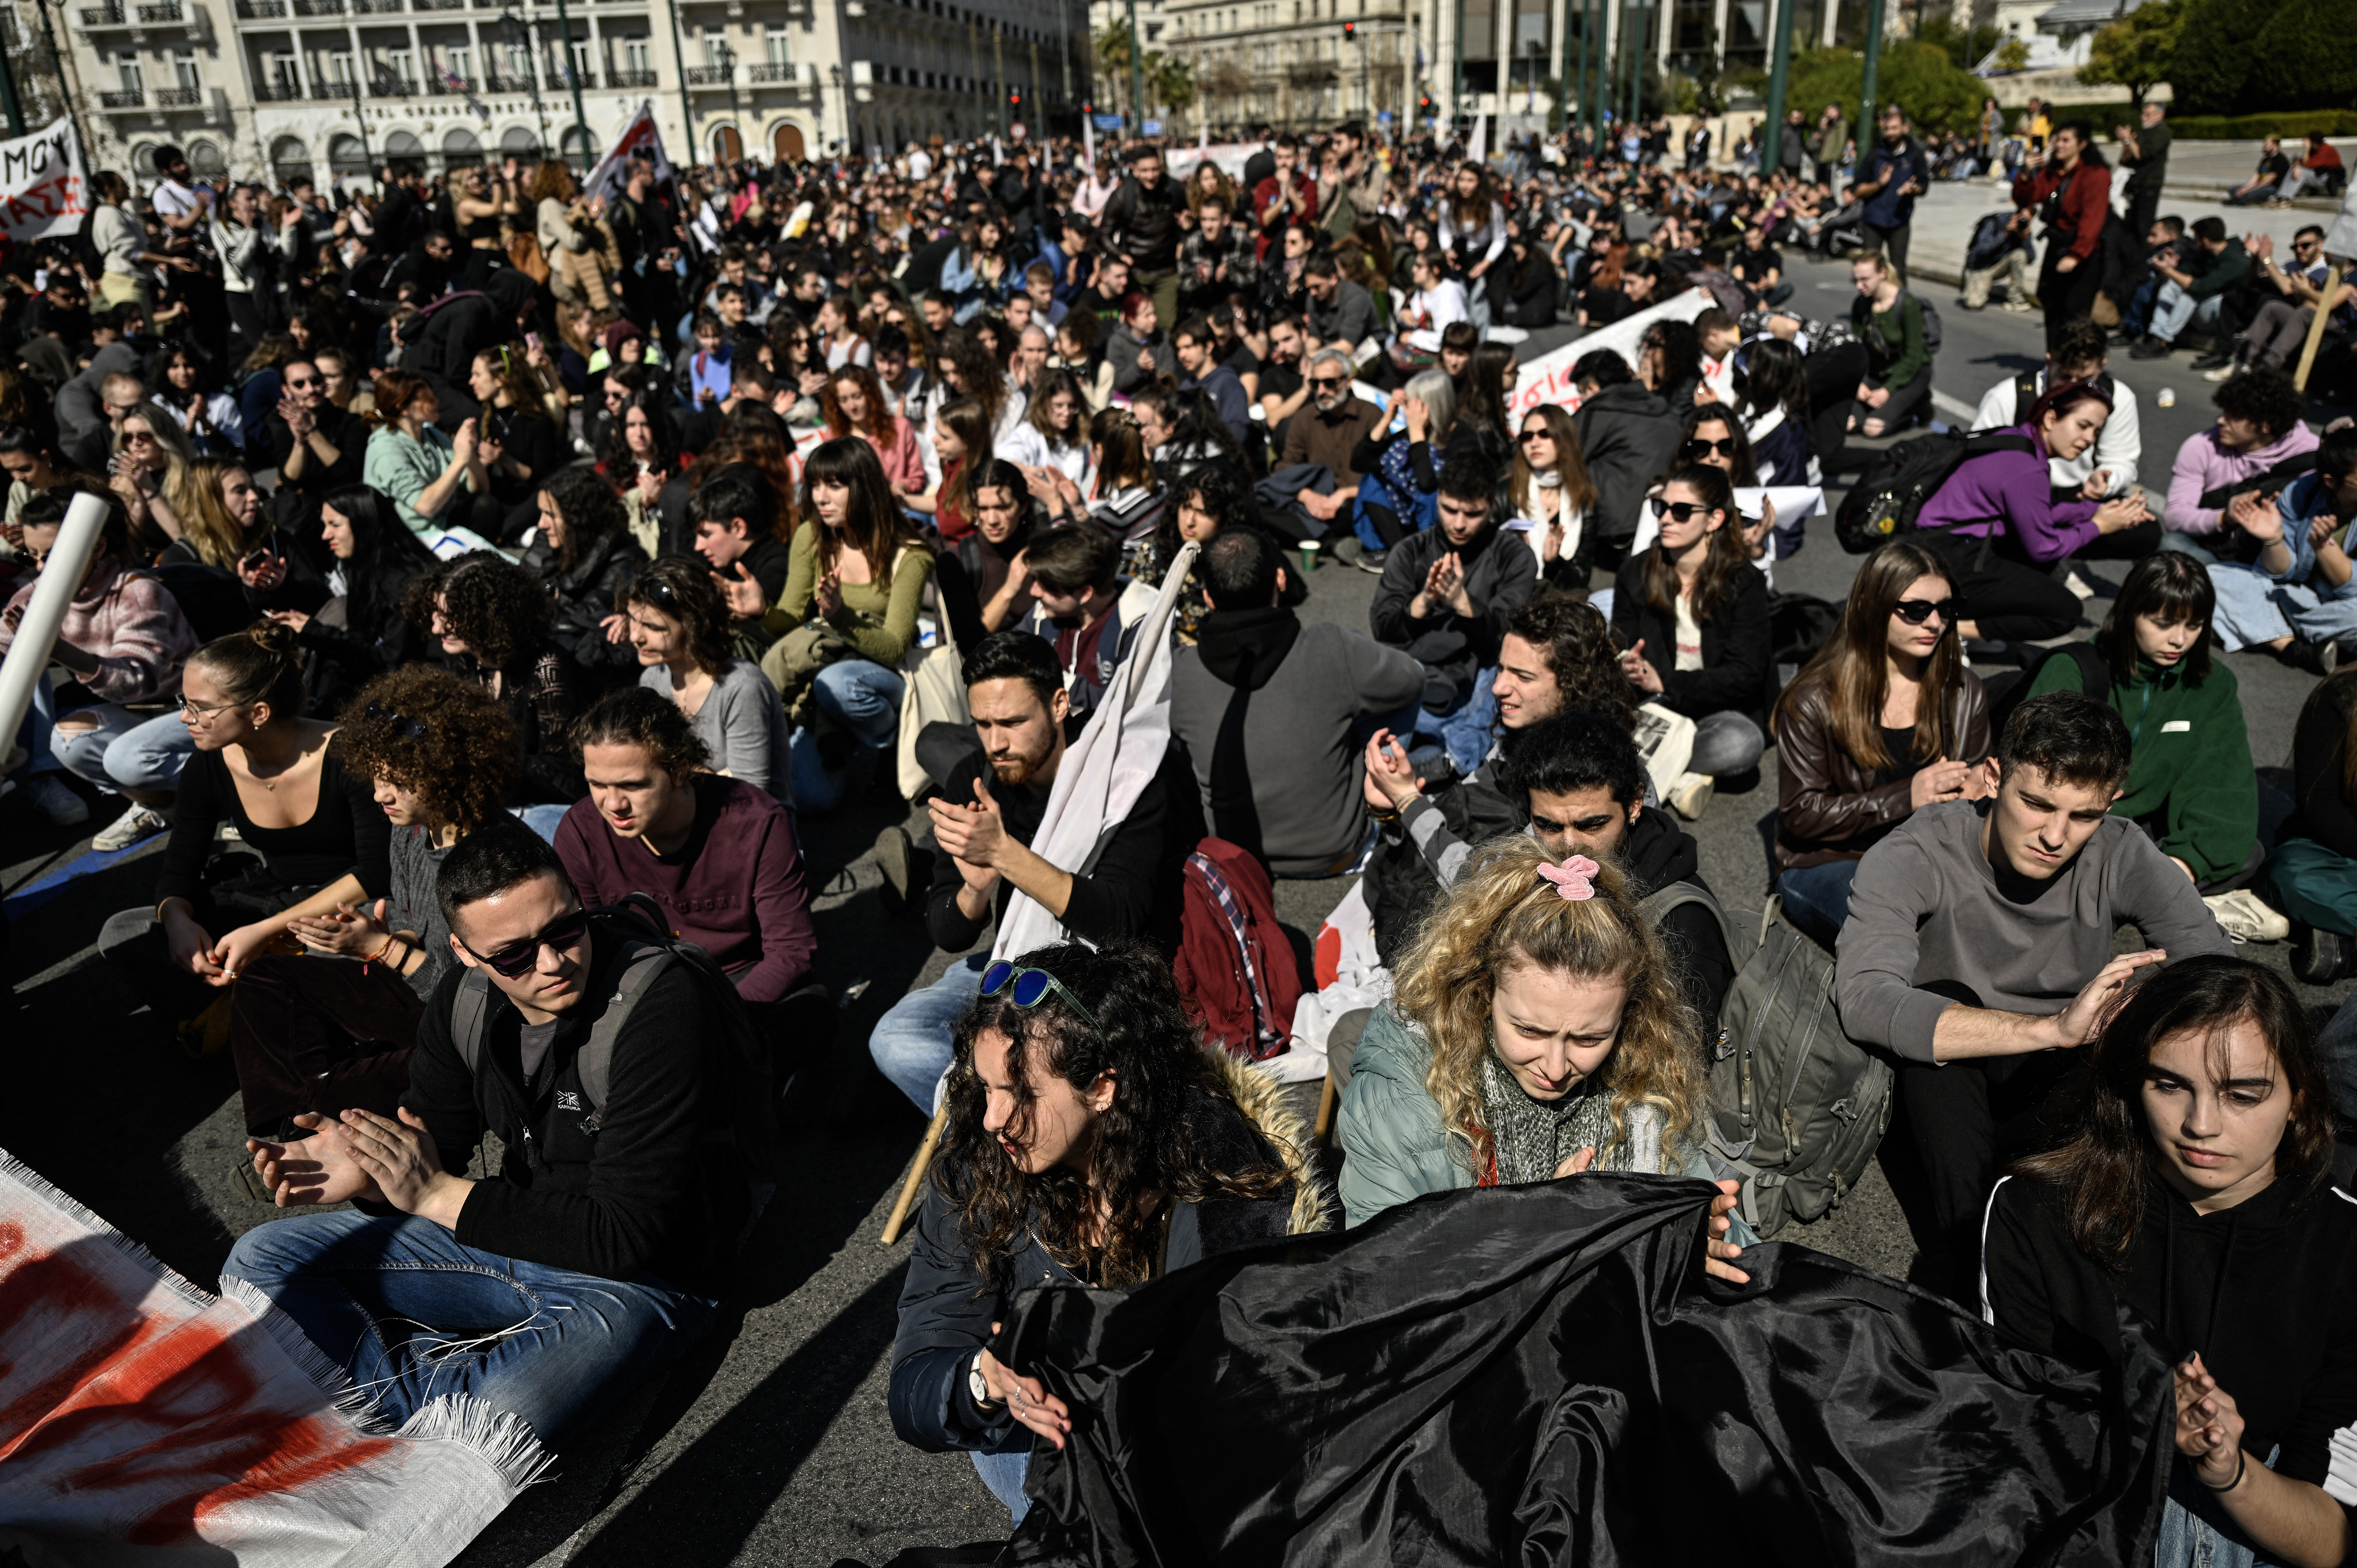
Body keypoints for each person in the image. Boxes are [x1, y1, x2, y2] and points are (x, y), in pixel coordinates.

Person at [226, 823, 754, 1447]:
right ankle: (430, 1400)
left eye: (566, 929)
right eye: (514, 955)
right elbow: (437, 1138)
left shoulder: (660, 1004)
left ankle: (412, 1393)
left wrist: (432, 1196)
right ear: (465, 953)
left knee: (501, 1408)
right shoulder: (464, 999)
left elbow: (626, 1236)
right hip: (518, 1234)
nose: (554, 963)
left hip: (648, 1278)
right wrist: (373, 1174)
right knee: (259, 1262)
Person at [889, 939, 1327, 1524]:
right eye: (985, 1085)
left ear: (1102, 1087)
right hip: (1028, 1431)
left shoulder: (1216, 1175)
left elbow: (1242, 1394)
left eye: (1018, 1094)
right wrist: (983, 1380)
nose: (992, 1118)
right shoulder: (977, 1160)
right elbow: (917, 1377)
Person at [1833, 690, 2235, 1288]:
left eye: (2083, 816)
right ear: (1993, 778)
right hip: (1943, 1088)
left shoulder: (2121, 851)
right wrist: (2048, 1027)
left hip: (2057, 1078)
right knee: (1940, 1004)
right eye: (2037, 804)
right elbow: (1865, 997)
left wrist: (2126, 1003)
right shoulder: (1917, 850)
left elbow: (2218, 970)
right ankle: (1970, 1253)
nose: (2055, 835)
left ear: (2111, 804)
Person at [1982, 955, 2357, 1568]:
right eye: (2170, 1085)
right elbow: (2011, 1442)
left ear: (2299, 1098)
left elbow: (2333, 1540)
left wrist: (2228, 1469)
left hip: (2260, 1516)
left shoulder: (2345, 1248)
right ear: (2134, 1084)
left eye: (2242, 1094)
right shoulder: (2037, 1209)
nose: (2200, 1126)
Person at [1334, 837, 1754, 1263]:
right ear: (1482, 992)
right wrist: (1537, 1232)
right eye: (1530, 1031)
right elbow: (1383, 1278)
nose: (1555, 1068)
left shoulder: (1641, 1071)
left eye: (1589, 1039)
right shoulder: (1400, 1098)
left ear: (1628, 1017)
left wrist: (1699, 1239)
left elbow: (1725, 1234)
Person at [866, 631, 1194, 1114]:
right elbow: (948, 930)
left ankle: (998, 1122)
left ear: (1059, 705)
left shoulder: (1120, 777)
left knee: (1045, 1065)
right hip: (1011, 962)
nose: (996, 743)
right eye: (982, 724)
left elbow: (1120, 923)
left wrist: (1004, 852)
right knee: (895, 1038)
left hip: (1099, 984)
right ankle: (1010, 1122)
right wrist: (976, 892)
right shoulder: (976, 779)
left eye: (1014, 722)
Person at [224, 665, 521, 1143]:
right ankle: (289, 1125)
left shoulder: (492, 860)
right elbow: (405, 917)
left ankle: (298, 1122)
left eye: (397, 781)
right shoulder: (410, 827)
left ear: (445, 770)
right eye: (377, 776)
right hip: (409, 988)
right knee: (266, 978)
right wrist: (372, 937)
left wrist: (380, 948)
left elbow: (480, 990)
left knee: (352, 1083)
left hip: (469, 1021)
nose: (381, 794)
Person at [95, 621, 392, 1028]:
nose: (185, 717)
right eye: (185, 701)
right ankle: (252, 1017)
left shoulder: (348, 755)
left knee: (334, 953)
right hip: (271, 899)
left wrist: (266, 931)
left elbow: (376, 871)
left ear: (259, 713)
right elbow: (182, 859)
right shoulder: (209, 762)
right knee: (122, 931)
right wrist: (179, 923)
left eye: (199, 707)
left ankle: (264, 1017)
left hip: (346, 910)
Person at [557, 688, 815, 1051]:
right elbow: (588, 948)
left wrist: (709, 1018)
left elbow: (791, 951)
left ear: (679, 770)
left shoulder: (758, 822)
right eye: (597, 784)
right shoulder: (580, 831)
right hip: (641, 987)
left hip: (738, 979)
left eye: (632, 785)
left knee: (809, 1013)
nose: (613, 803)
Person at [1770, 540, 1991, 946]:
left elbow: (1970, 794)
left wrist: (1983, 794)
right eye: (1917, 610)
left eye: (1947, 608)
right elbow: (1802, 814)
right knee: (1909, 935)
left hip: (1928, 851)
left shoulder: (1963, 690)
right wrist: (1908, 795)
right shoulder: (1813, 698)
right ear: (1872, 606)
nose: (1935, 623)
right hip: (1831, 860)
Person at [1169, 528, 1423, 876]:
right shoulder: (1332, 646)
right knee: (1389, 685)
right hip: (1339, 851)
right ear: (1281, 579)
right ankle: (1388, 790)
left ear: (1209, 598)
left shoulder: (1180, 672)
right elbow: (1412, 680)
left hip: (1232, 862)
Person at [2023, 552, 2259, 906]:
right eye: (2164, 623)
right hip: (2073, 826)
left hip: (2145, 831)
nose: (2180, 640)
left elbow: (2222, 784)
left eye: (2194, 625)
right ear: (2131, 612)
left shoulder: (2213, 685)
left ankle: (2129, 898)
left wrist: (2182, 867)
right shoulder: (2074, 668)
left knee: (2244, 850)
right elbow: (2040, 782)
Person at [728, 437, 932, 810]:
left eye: (835, 486)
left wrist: (839, 615)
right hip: (825, 671)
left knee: (839, 684)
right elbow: (789, 620)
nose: (821, 497)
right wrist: (762, 611)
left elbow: (896, 647)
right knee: (811, 798)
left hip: (887, 681)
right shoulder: (811, 535)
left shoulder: (910, 555)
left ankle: (892, 742)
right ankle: (843, 741)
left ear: (865, 487)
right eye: (816, 485)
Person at [0, 487, 199, 839]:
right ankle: (161, 806)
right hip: (132, 713)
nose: (44, 567)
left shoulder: (137, 593)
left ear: (97, 548)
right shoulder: (33, 597)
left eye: (55, 555)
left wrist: (58, 649)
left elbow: (136, 681)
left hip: (187, 709)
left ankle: (232, 790)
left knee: (125, 759)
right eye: (33, 556)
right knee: (68, 742)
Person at [1914, 380, 2156, 648]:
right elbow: (2043, 547)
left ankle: (1958, 616)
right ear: (2051, 419)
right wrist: (2098, 526)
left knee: (2035, 569)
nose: (2090, 440)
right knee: (2063, 612)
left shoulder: (2015, 438)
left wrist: (2097, 510)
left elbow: (2036, 512)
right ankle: (1950, 628)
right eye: (2083, 426)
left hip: (1933, 545)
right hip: (1946, 558)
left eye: (2097, 432)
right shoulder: (2027, 469)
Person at [1609, 464, 1771, 821]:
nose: (1665, 519)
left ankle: (1637, 783)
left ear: (1714, 520)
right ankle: (1679, 781)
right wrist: (1626, 664)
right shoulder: (1635, 573)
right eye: (1660, 508)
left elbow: (1745, 675)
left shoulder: (1744, 582)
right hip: (1652, 706)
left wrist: (1667, 682)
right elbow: (1618, 641)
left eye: (1680, 511)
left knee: (1742, 742)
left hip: (1715, 709)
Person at [1371, 453, 1541, 777]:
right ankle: (1402, 761)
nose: (1459, 524)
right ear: (1438, 500)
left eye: (1472, 513)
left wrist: (1464, 604)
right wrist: (1424, 601)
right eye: (1450, 510)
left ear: (1492, 505)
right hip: (1417, 679)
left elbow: (1508, 636)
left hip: (1476, 685)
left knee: (1507, 668)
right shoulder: (1410, 551)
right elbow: (1383, 629)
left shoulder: (1514, 555)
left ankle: (1448, 761)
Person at [407, 550, 586, 816]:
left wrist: (476, 764)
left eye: (450, 617)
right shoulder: (462, 658)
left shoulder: (547, 668)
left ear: (490, 616)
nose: (437, 628)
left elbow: (564, 774)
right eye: (437, 614)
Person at [621, 553, 795, 809]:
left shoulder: (742, 688)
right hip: (683, 813)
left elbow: (750, 795)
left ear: (692, 625)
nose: (636, 636)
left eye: (653, 627)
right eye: (633, 620)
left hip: (749, 825)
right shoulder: (653, 679)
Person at [2205, 424, 2357, 672]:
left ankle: (2276, 633)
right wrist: (2274, 539)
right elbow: (2280, 574)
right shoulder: (2301, 493)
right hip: (2296, 596)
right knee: (2214, 577)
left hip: (2342, 610)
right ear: (2332, 482)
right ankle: (2290, 646)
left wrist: (2325, 546)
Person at [1009, 521, 1159, 736]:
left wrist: (1050, 678)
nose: (1034, 591)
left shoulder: (1138, 623)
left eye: (1046, 586)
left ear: (1085, 593)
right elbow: (1010, 654)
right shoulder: (1047, 612)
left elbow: (1124, 704)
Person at [1970, 317, 2142, 500]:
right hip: (2016, 495)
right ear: (2049, 362)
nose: (2074, 389)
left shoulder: (2117, 398)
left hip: (2082, 496)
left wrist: (2107, 481)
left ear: (2102, 366)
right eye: (2065, 377)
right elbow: (1977, 462)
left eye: (2086, 380)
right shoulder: (2009, 396)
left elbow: (2121, 461)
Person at [2160, 367, 2318, 562]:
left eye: (2234, 416)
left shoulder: (2311, 457)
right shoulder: (2201, 446)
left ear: (2267, 424)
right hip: (2212, 547)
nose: (2221, 421)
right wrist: (2224, 518)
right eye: (2223, 412)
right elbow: (2175, 517)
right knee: (2171, 546)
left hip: (2271, 556)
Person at [522, 464, 652, 687]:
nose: (541, 524)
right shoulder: (550, 541)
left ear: (578, 518)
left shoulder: (625, 557)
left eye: (551, 515)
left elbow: (592, 615)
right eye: (542, 512)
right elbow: (522, 586)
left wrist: (543, 605)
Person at [2271, 666, 2357, 982]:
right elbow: (2320, 804)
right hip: (2334, 850)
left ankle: (2347, 953)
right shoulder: (2341, 694)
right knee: (2292, 876)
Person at [1569, 349, 1680, 565]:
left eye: (1581, 392)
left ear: (1591, 388)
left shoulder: (1597, 412)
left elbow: (1561, 456)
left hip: (1616, 534)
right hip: (1665, 518)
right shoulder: (1662, 407)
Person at [360, 369, 493, 550]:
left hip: (441, 525)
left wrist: (470, 454)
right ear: (403, 408)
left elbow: (481, 488)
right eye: (429, 399)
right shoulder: (385, 449)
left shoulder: (431, 435)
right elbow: (425, 506)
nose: (437, 402)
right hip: (408, 539)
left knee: (486, 507)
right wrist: (461, 459)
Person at [2011, 122, 2113, 350]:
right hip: (2057, 247)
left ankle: (2076, 370)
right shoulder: (2053, 173)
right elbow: (2027, 198)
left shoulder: (2095, 174)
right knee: (2052, 307)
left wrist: (2076, 255)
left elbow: (2093, 220)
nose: (2059, 145)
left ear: (2082, 145)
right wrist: (2026, 173)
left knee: (2075, 315)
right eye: (2057, 139)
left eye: (2066, 140)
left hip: (2083, 252)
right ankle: (2054, 362)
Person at [2216, 228, 2357, 381]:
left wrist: (2305, 290)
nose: (2324, 251)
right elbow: (2309, 302)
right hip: (2318, 318)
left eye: (2328, 248)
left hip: (2340, 328)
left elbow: (2330, 303)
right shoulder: (2332, 274)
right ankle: (2242, 360)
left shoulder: (2352, 276)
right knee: (2274, 308)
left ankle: (2268, 366)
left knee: (2303, 313)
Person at [686, 466, 793, 657]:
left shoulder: (778, 567)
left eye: (706, 535)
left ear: (738, 528)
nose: (698, 546)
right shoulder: (724, 564)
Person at [2131, 217, 2252, 363]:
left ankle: (2164, 340)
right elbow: (2188, 270)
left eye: (2197, 239)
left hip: (2226, 318)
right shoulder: (2210, 255)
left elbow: (2201, 287)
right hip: (2208, 309)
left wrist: (2169, 271)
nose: (2195, 243)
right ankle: (2156, 335)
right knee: (2173, 285)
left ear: (2205, 240)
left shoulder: (2237, 263)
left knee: (2190, 295)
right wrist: (2172, 266)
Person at [1507, 404, 1598, 587]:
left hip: (1561, 603)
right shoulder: (1506, 493)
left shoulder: (1584, 499)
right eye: (1527, 436)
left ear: (1564, 438)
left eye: (1545, 434)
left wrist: (1554, 562)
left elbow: (1581, 576)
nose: (1534, 443)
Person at [1847, 249, 1931, 440]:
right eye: (1856, 281)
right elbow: (1856, 347)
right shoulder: (1861, 304)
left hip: (1911, 373)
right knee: (1849, 423)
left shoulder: (1906, 303)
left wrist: (1888, 391)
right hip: (1879, 373)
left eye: (1865, 279)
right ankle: (1891, 406)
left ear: (1883, 273)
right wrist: (1859, 382)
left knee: (1872, 428)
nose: (1860, 286)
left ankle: (1917, 404)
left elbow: (1914, 356)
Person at [823, 362, 924, 496]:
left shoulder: (900, 427)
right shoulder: (834, 435)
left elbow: (917, 478)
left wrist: (902, 485)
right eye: (844, 400)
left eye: (857, 396)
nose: (852, 406)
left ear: (870, 394)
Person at [2115, 101, 2172, 246]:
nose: (2144, 117)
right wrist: (2126, 143)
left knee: (2143, 224)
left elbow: (2142, 154)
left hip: (2149, 183)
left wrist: (2129, 140)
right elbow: (2126, 160)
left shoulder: (2162, 132)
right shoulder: (2144, 134)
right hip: (2136, 183)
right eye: (2143, 114)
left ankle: (2141, 253)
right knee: (2130, 222)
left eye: (2148, 114)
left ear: (2160, 116)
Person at [2223, 134, 2295, 207]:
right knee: (2232, 190)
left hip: (2273, 188)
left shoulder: (2280, 160)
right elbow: (2257, 176)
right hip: (2260, 186)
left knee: (2249, 194)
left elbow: (2269, 180)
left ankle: (2240, 200)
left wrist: (2250, 189)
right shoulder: (2265, 160)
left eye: (2267, 144)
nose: (2264, 146)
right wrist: (2245, 187)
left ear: (2275, 145)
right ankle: (2240, 200)